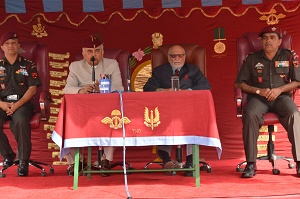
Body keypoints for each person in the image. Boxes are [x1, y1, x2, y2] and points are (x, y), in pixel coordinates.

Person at [235, 25, 300, 178]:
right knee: (250, 114)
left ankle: (299, 161)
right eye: (265, 38)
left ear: (279, 41)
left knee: (294, 114)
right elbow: (239, 83)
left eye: (272, 38)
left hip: (281, 97)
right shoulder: (252, 59)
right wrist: (259, 91)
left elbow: (297, 81)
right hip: (259, 98)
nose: (268, 41)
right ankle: (251, 164)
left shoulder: (289, 56)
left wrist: (279, 90)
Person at [143, 44, 211, 176]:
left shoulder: (193, 69)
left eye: (180, 55)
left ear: (185, 57)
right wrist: (162, 90)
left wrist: (188, 91)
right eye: (174, 55)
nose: (177, 58)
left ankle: (191, 161)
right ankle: (167, 160)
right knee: (162, 120)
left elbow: (206, 86)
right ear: (168, 58)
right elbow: (147, 88)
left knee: (191, 122)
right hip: (166, 109)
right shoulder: (159, 71)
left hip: (188, 108)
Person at [63, 34, 124, 177]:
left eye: (97, 51)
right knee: (66, 123)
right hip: (82, 109)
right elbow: (67, 89)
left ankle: (106, 160)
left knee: (113, 119)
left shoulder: (112, 64)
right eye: (89, 51)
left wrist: (104, 87)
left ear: (102, 53)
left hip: (105, 107)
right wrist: (81, 90)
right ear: (83, 54)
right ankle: (75, 162)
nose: (93, 54)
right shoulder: (75, 66)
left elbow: (119, 86)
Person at [0, 32, 41, 176]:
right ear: (2, 47)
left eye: (13, 42)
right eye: (7, 43)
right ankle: (8, 155)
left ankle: (23, 161)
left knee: (21, 121)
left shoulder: (29, 65)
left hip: (23, 104)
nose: (10, 45)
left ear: (19, 46)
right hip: (2, 104)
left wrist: (16, 105)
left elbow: (32, 89)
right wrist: (3, 105)